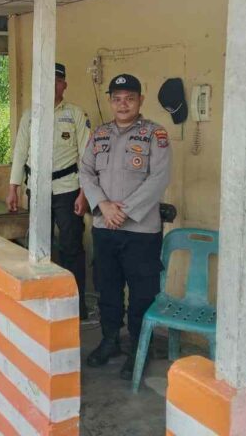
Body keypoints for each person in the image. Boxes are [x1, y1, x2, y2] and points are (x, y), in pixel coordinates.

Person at [79, 74, 171, 380]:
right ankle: (110, 341)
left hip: (141, 231)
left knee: (142, 293)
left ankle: (138, 349)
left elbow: (159, 177)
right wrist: (103, 205)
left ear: (140, 100)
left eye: (130, 98)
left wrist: (125, 211)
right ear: (110, 101)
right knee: (108, 289)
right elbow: (85, 171)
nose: (123, 104)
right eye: (117, 99)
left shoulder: (155, 134)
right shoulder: (100, 134)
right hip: (105, 227)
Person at [7, 63, 91, 319]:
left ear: (64, 85)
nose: (52, 85)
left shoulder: (75, 114)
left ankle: (75, 306)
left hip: (68, 189)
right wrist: (13, 188)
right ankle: (42, 303)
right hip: (37, 189)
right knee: (38, 246)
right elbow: (20, 152)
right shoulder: (30, 115)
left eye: (57, 81)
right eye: (47, 81)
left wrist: (84, 193)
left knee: (71, 247)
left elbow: (87, 156)